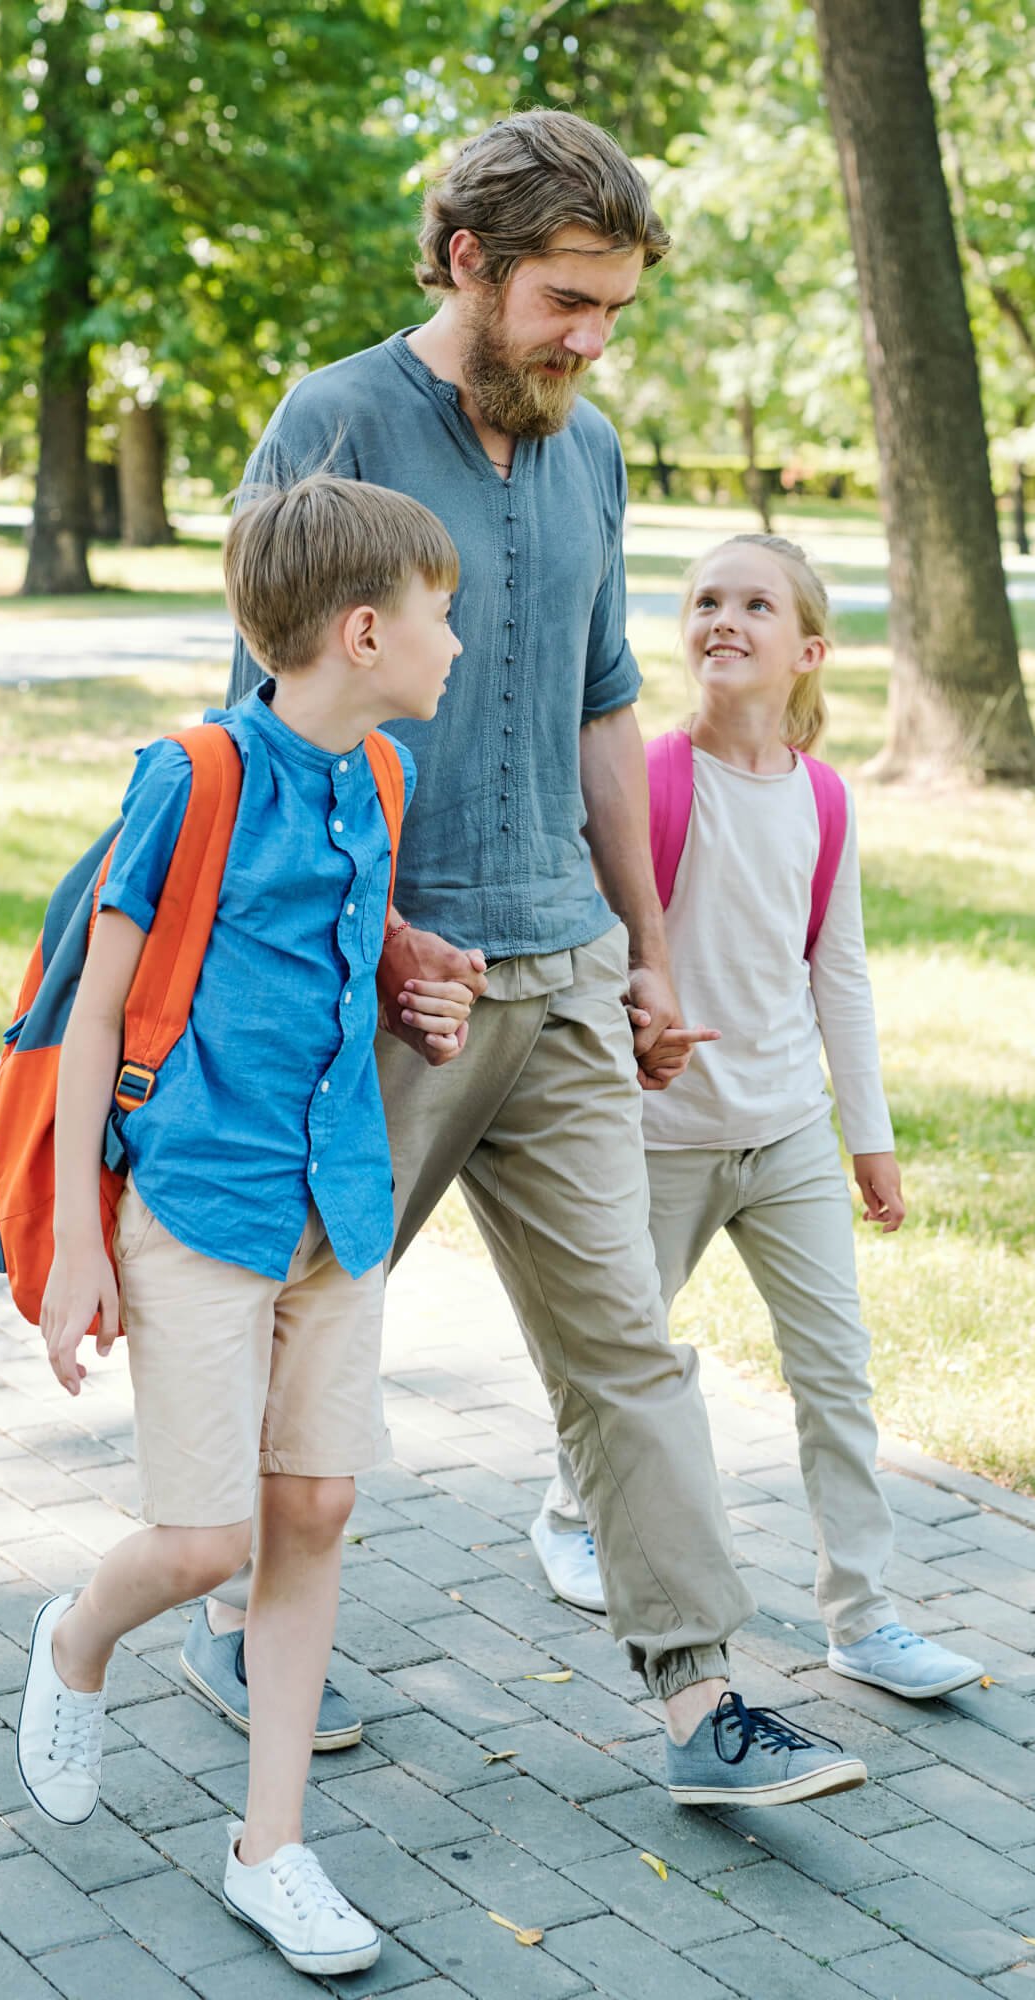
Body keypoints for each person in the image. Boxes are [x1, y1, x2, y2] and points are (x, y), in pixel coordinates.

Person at [194, 108, 868, 1811]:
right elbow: (263, 728)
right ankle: (234, 1610)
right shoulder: (336, 421)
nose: (590, 341)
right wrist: (378, 933)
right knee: (307, 1317)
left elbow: (599, 706)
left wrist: (646, 954)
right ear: (465, 262)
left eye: (614, 311)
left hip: (563, 968)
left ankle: (702, 1698)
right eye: (566, 301)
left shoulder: (591, 450)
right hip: (386, 988)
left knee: (624, 1345)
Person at [17, 476, 474, 1978]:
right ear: (364, 633)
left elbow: (334, 950)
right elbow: (95, 1011)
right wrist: (82, 1246)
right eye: (441, 615)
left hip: (338, 1202)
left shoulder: (383, 776)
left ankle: (271, 1845)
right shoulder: (194, 775)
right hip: (202, 1202)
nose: (456, 643)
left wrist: (413, 980)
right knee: (205, 1539)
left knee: (317, 1508)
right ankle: (79, 1638)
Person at [530, 535, 984, 1702]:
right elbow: (597, 949)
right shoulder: (648, 778)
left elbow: (840, 972)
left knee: (836, 1376)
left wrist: (866, 1135)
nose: (723, 618)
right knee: (623, 1360)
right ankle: (568, 1513)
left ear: (808, 651)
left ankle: (863, 1615)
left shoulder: (823, 798)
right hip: (660, 1139)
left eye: (754, 604)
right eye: (705, 600)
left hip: (786, 1136)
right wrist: (630, 1039)